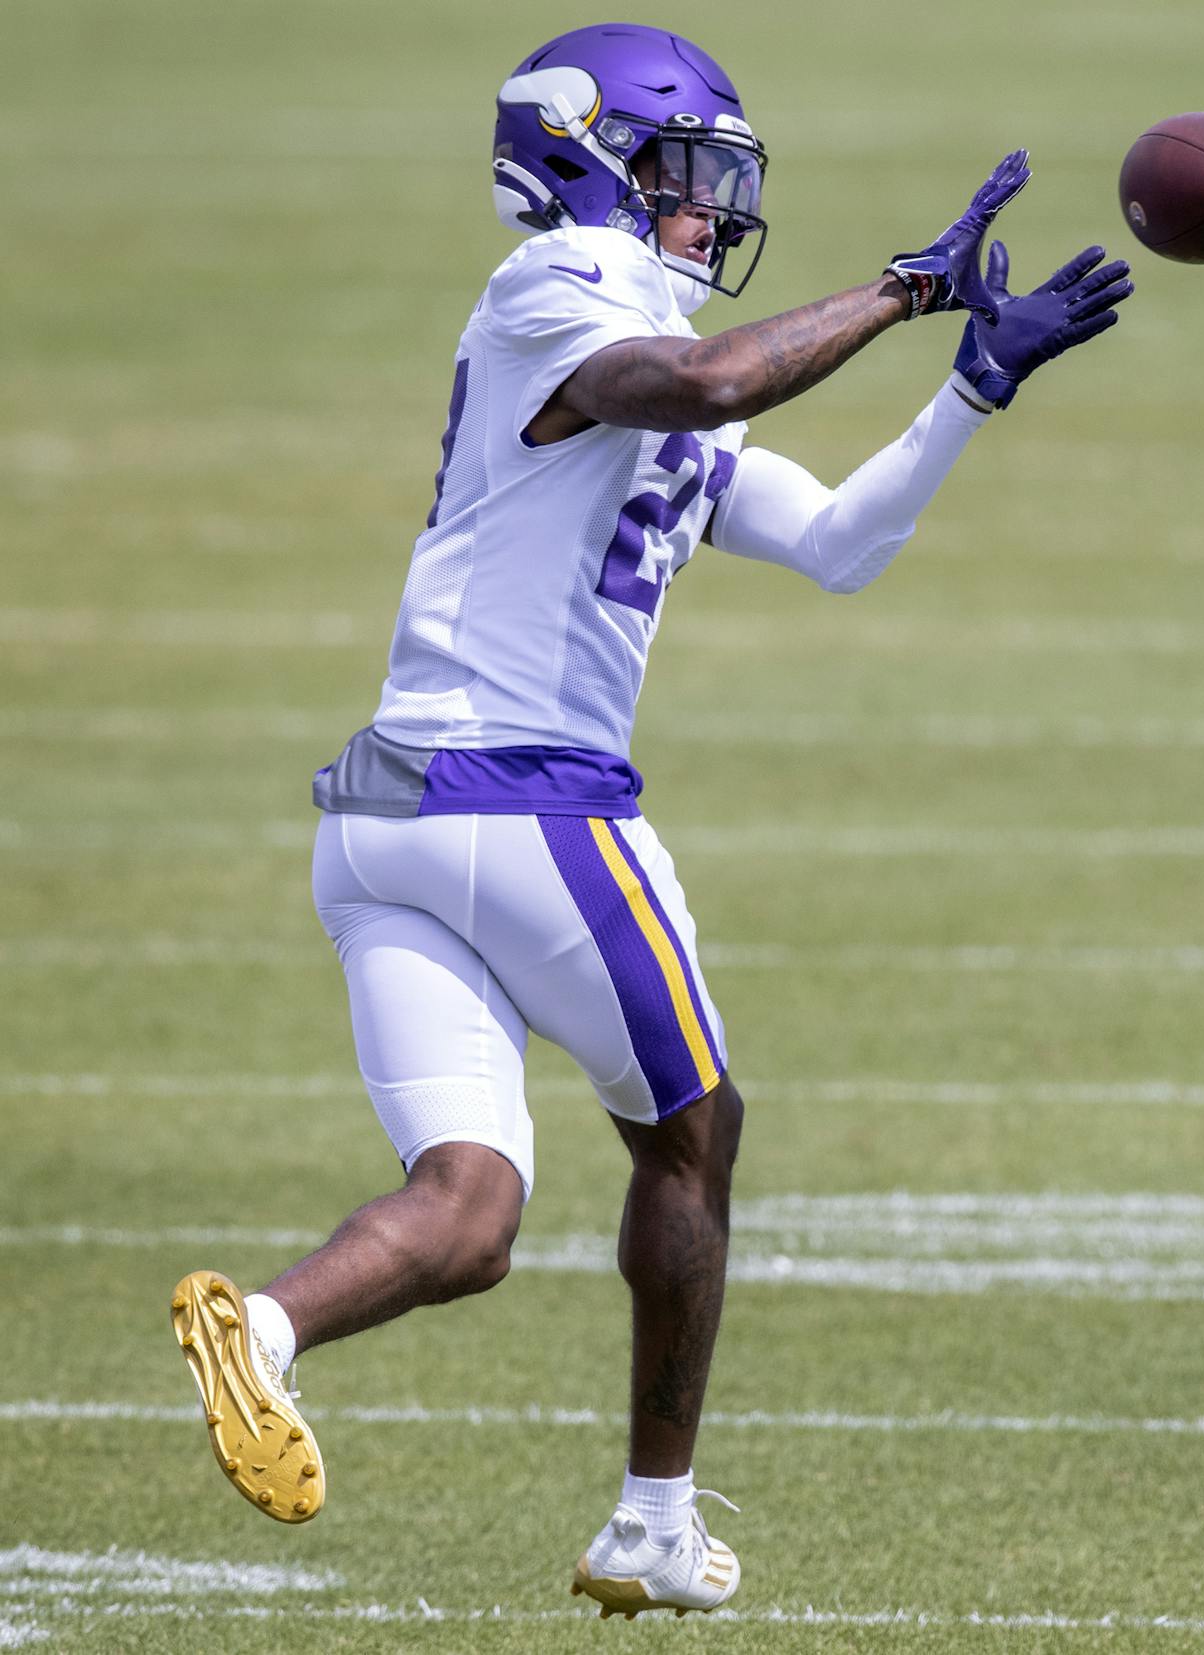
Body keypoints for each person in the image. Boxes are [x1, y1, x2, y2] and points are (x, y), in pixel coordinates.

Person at [168, 22, 1132, 1620]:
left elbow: (832, 541)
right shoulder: (558, 296)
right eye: (686, 172)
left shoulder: (642, 345)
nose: (708, 209)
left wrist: (970, 387)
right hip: (529, 804)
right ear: (582, 157)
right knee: (695, 1134)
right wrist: (904, 293)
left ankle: (259, 1333)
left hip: (390, 826)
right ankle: (652, 1523)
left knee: (471, 1213)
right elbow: (703, 375)